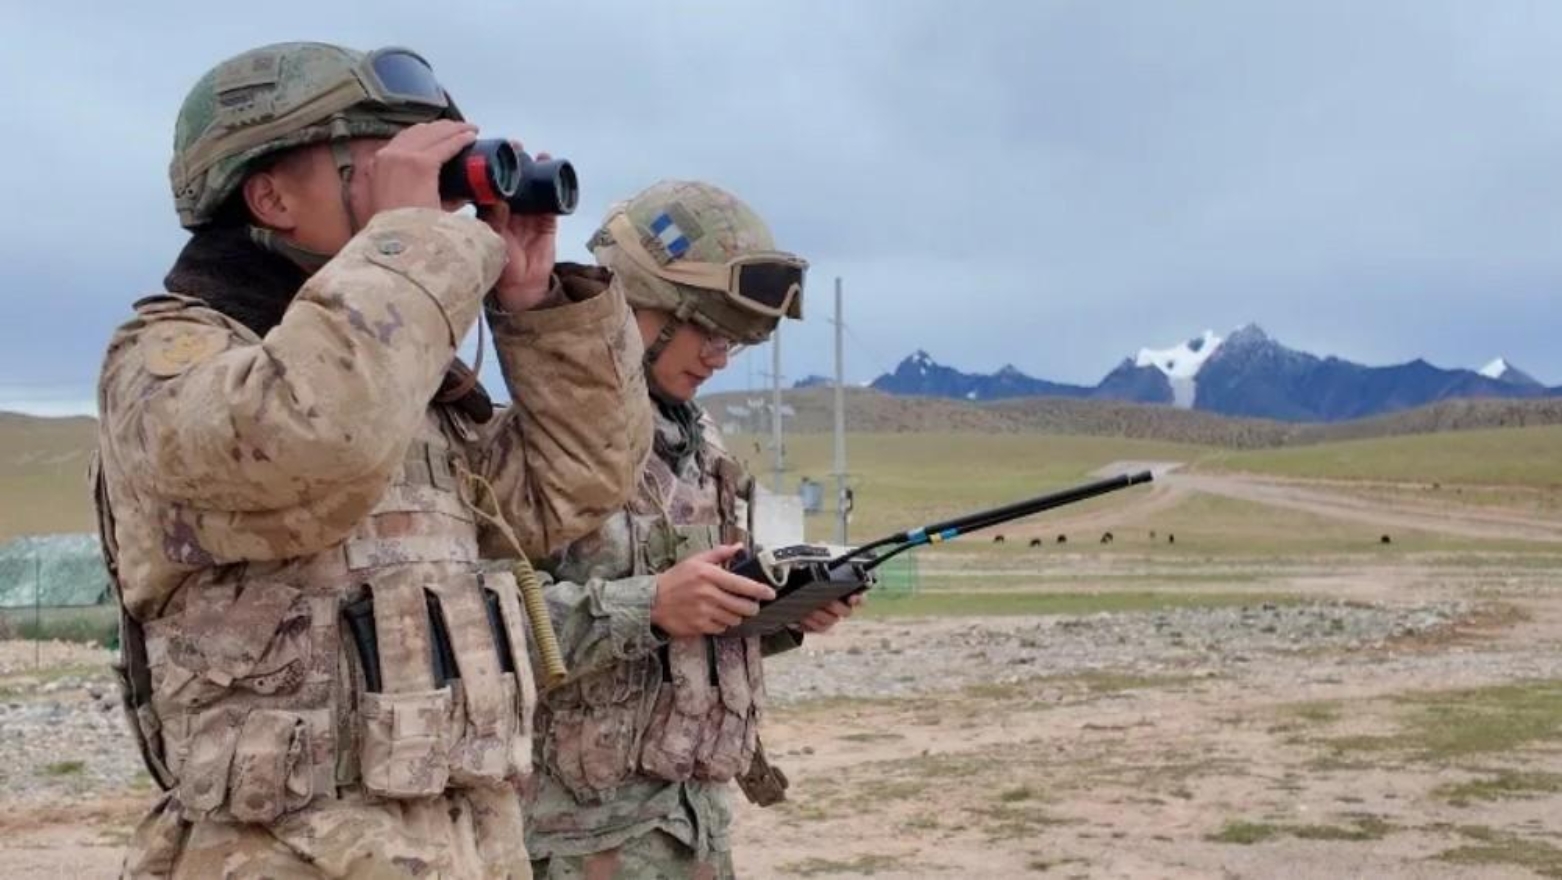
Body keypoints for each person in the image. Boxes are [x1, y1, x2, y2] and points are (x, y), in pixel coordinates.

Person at [91, 41, 651, 878]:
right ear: (271, 196)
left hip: (462, 843)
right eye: (383, 164)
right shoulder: (171, 357)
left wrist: (535, 304)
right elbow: (315, 441)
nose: (427, 191)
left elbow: (570, 487)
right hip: (277, 854)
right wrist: (413, 246)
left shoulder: (405, 386)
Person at [525, 180, 861, 879]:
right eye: (705, 328)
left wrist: (785, 612)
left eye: (731, 338)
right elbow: (472, 634)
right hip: (571, 844)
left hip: (694, 831)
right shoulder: (544, 441)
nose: (717, 356)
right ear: (631, 303)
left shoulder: (700, 446)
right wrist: (649, 606)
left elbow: (686, 642)